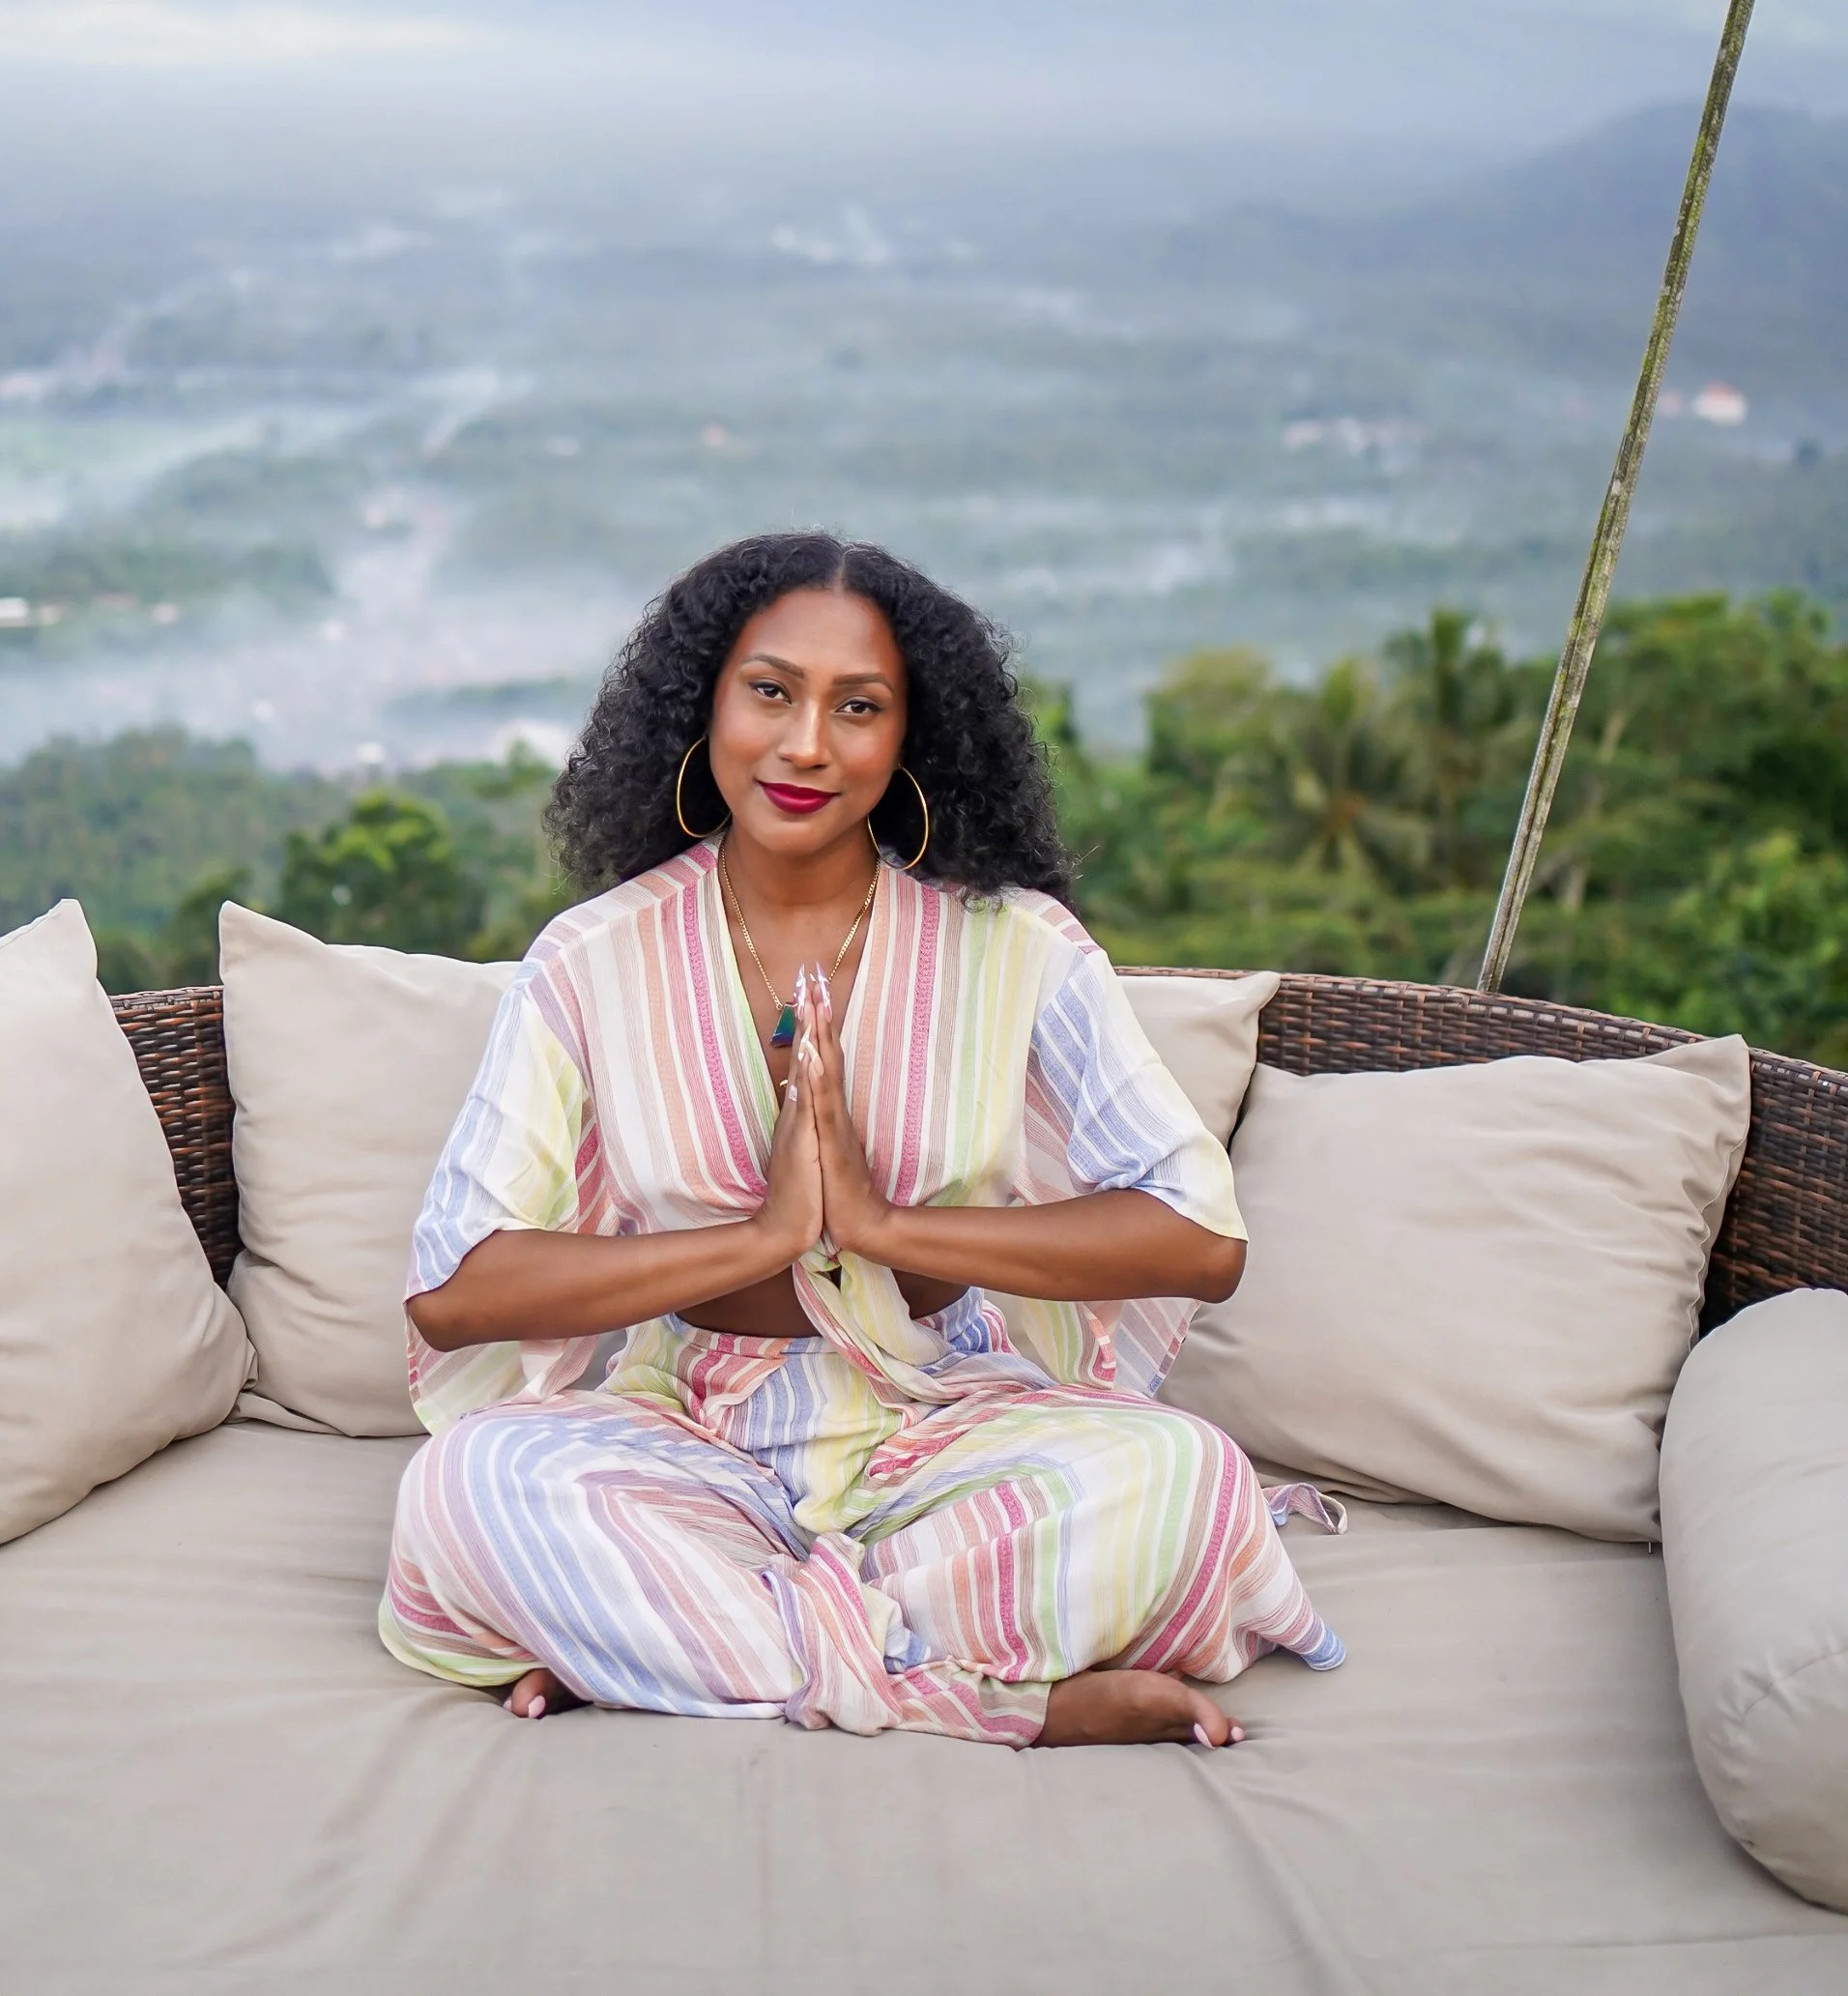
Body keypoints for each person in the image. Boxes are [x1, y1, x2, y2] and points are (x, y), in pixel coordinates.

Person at [383, 533, 1342, 1747]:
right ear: (704, 705)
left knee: (1185, 1484)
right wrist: (766, 1237)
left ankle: (676, 1647)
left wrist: (879, 1226)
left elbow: (1198, 1241)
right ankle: (997, 1698)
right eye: (770, 692)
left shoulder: (1019, 945)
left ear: (910, 737)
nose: (806, 745)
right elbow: (457, 1292)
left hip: (943, 1417)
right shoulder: (589, 959)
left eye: (859, 707)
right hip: (687, 1427)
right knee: (467, 1491)